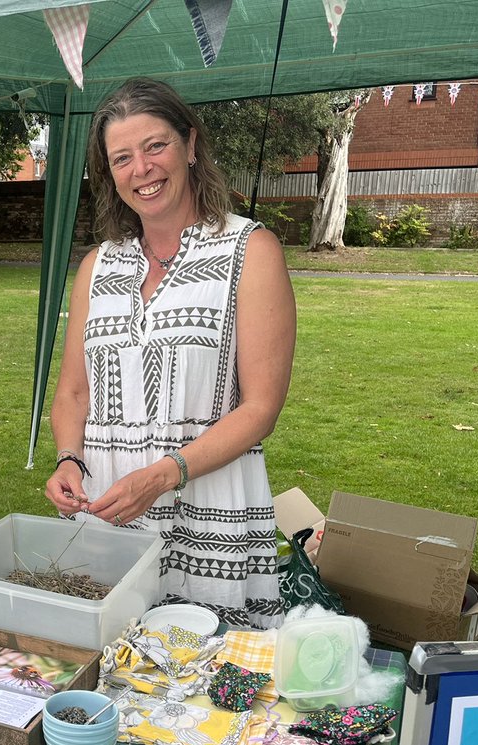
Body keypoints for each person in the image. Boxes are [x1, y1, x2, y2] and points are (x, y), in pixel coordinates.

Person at [44, 78, 296, 630]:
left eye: (156, 146)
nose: (143, 169)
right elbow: (73, 391)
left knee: (207, 688)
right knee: (108, 671)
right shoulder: (97, 266)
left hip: (211, 512)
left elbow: (261, 409)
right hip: (108, 512)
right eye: (122, 158)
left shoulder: (250, 250)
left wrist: (162, 475)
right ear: (109, 173)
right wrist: (68, 458)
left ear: (190, 143)